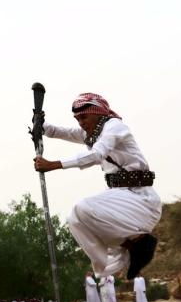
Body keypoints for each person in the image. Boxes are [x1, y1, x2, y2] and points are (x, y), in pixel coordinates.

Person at [34, 93, 161, 280]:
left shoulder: (115, 127)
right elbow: (58, 131)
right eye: (77, 119)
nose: (81, 123)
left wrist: (54, 164)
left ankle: (137, 242)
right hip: (120, 197)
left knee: (83, 207)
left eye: (84, 117)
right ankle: (127, 249)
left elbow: (97, 155)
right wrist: (39, 125)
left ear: (98, 113)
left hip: (141, 200)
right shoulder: (91, 133)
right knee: (75, 219)